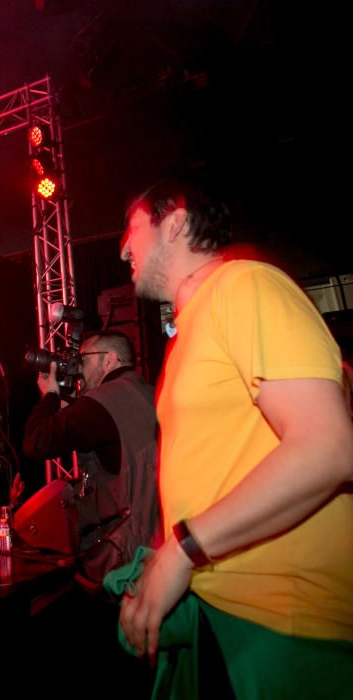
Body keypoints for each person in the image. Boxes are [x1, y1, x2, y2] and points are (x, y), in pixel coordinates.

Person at [117, 175, 353, 697]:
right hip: (225, 618)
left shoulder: (245, 286)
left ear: (174, 221)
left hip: (287, 628)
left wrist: (184, 549)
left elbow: (329, 448)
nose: (121, 249)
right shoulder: (190, 330)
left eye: (131, 229)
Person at [22, 329, 160, 588]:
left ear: (109, 360)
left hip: (127, 558)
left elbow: (35, 442)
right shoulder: (148, 392)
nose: (78, 369)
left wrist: (50, 396)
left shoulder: (102, 402)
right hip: (157, 541)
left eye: (84, 360)